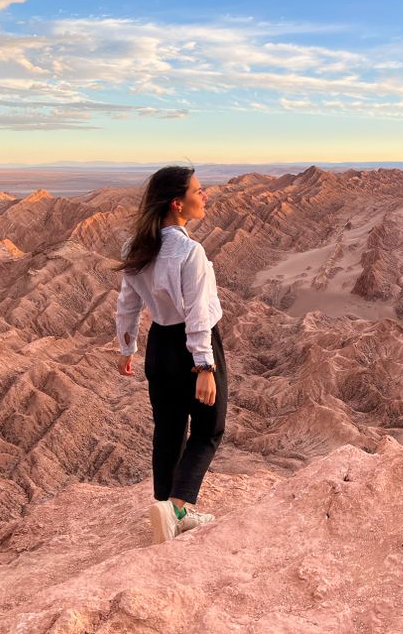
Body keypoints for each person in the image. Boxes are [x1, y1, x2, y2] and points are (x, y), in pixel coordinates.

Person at [114, 165, 227, 544]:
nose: (205, 196)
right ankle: (176, 508)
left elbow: (127, 305)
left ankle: (164, 508)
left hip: (159, 347)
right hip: (192, 347)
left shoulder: (136, 248)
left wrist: (126, 347)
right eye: (198, 191)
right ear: (178, 203)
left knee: (168, 431)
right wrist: (205, 366)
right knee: (209, 429)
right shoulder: (189, 252)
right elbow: (197, 314)